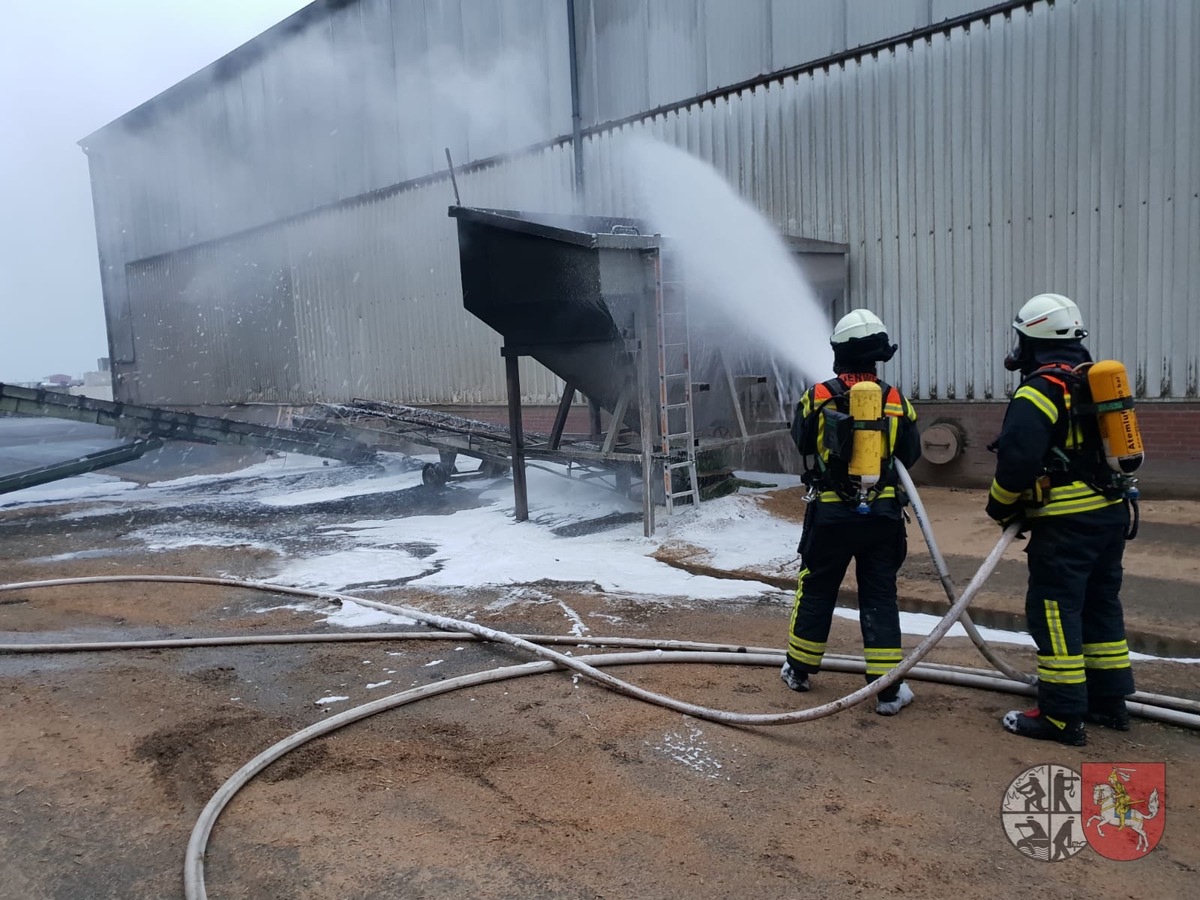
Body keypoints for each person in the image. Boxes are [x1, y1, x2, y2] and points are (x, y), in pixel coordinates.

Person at [987, 293, 1136, 746]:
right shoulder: (1090, 382)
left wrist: (1000, 505)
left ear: (1031, 339)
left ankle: (1059, 716)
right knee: (1099, 605)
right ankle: (1109, 702)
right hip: (1110, 514)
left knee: (1054, 611)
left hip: (1066, 525)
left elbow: (1016, 458)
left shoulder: (1041, 388)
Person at [782, 309, 920, 715]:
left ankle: (799, 670)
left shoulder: (819, 395)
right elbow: (909, 454)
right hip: (882, 516)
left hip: (830, 515)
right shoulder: (896, 399)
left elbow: (803, 443)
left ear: (839, 352)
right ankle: (888, 691)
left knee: (817, 587)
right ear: (876, 356)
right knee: (879, 595)